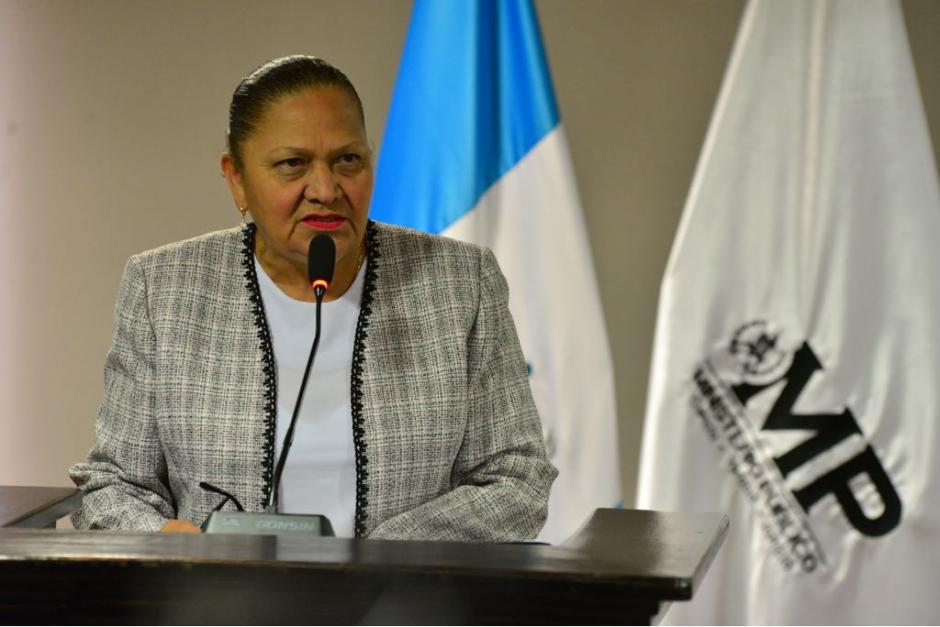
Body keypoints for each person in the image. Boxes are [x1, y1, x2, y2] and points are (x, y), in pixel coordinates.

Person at [69, 55, 556, 540]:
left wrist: (375, 562)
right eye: (292, 164)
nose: (325, 189)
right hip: (221, 603)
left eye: (348, 160)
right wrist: (161, 537)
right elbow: (113, 484)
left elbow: (516, 478)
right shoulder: (164, 287)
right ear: (236, 178)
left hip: (403, 602)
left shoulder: (458, 282)